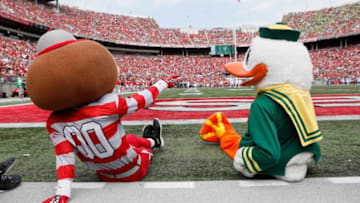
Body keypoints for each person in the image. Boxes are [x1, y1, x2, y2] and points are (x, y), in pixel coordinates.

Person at [25, 29, 178, 203]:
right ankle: (152, 144)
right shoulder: (108, 104)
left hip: (103, 175)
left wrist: (62, 195)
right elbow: (141, 100)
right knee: (142, 150)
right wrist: (162, 83)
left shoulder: (55, 123)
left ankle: (152, 140)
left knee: (131, 139)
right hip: (133, 171)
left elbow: (64, 159)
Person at [200, 23, 322, 182]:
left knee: (241, 156)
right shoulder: (301, 94)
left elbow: (268, 154)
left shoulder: (263, 104)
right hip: (305, 154)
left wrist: (243, 156)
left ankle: (280, 168)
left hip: (283, 163)